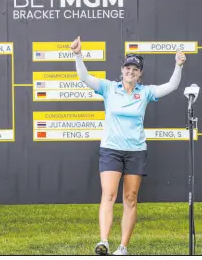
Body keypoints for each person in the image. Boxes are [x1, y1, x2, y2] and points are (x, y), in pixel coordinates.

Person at [71, 36, 186, 255]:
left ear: (140, 73)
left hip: (136, 151)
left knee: (131, 199)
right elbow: (84, 78)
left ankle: (122, 247)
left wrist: (178, 66)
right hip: (111, 150)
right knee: (109, 194)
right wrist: (78, 54)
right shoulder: (108, 88)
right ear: (122, 70)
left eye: (135, 69)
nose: (131, 72)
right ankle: (103, 241)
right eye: (128, 68)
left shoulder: (145, 92)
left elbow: (171, 86)